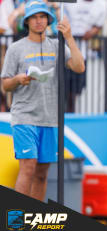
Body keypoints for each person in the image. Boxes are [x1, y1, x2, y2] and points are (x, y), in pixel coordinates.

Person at [0, 0, 84, 201]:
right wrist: (19, 79)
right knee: (28, 166)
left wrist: (70, 38)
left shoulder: (57, 45)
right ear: (27, 22)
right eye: (34, 17)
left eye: (42, 17)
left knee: (42, 173)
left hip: (49, 118)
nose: (38, 21)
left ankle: (35, 223)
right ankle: (19, 220)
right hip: (24, 117)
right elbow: (5, 84)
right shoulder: (16, 48)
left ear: (48, 20)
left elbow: (79, 67)